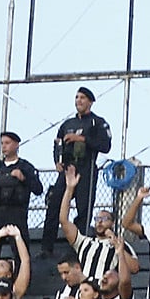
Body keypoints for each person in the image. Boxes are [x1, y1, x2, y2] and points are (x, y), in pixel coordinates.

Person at [45, 88, 113, 255]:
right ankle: (46, 248)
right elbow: (57, 143)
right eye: (76, 97)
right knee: (54, 205)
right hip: (68, 170)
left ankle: (78, 247)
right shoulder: (67, 124)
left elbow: (105, 146)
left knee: (84, 209)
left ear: (90, 101)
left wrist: (82, 139)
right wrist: (57, 161)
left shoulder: (97, 122)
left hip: (87, 168)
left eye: (82, 98)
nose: (79, 101)